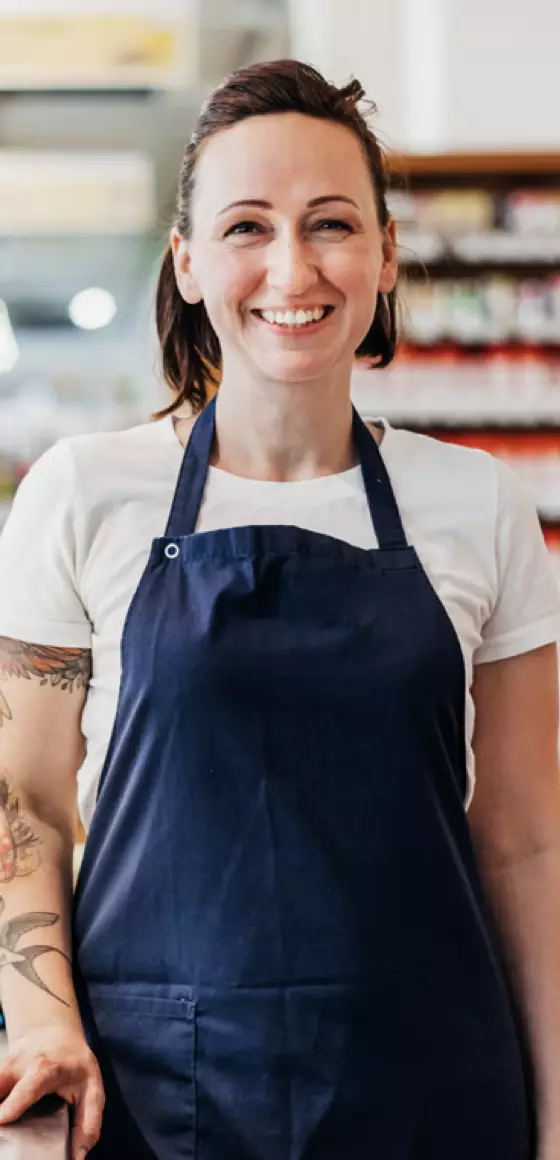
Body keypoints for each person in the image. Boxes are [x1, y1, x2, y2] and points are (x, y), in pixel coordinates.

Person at [0, 57, 559, 1160]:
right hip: (157, 1096)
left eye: (332, 223)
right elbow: (22, 798)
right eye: (247, 226)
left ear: (387, 254)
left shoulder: (477, 503)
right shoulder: (84, 490)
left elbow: (526, 839)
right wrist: (42, 1015)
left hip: (432, 1087)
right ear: (190, 262)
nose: (291, 266)